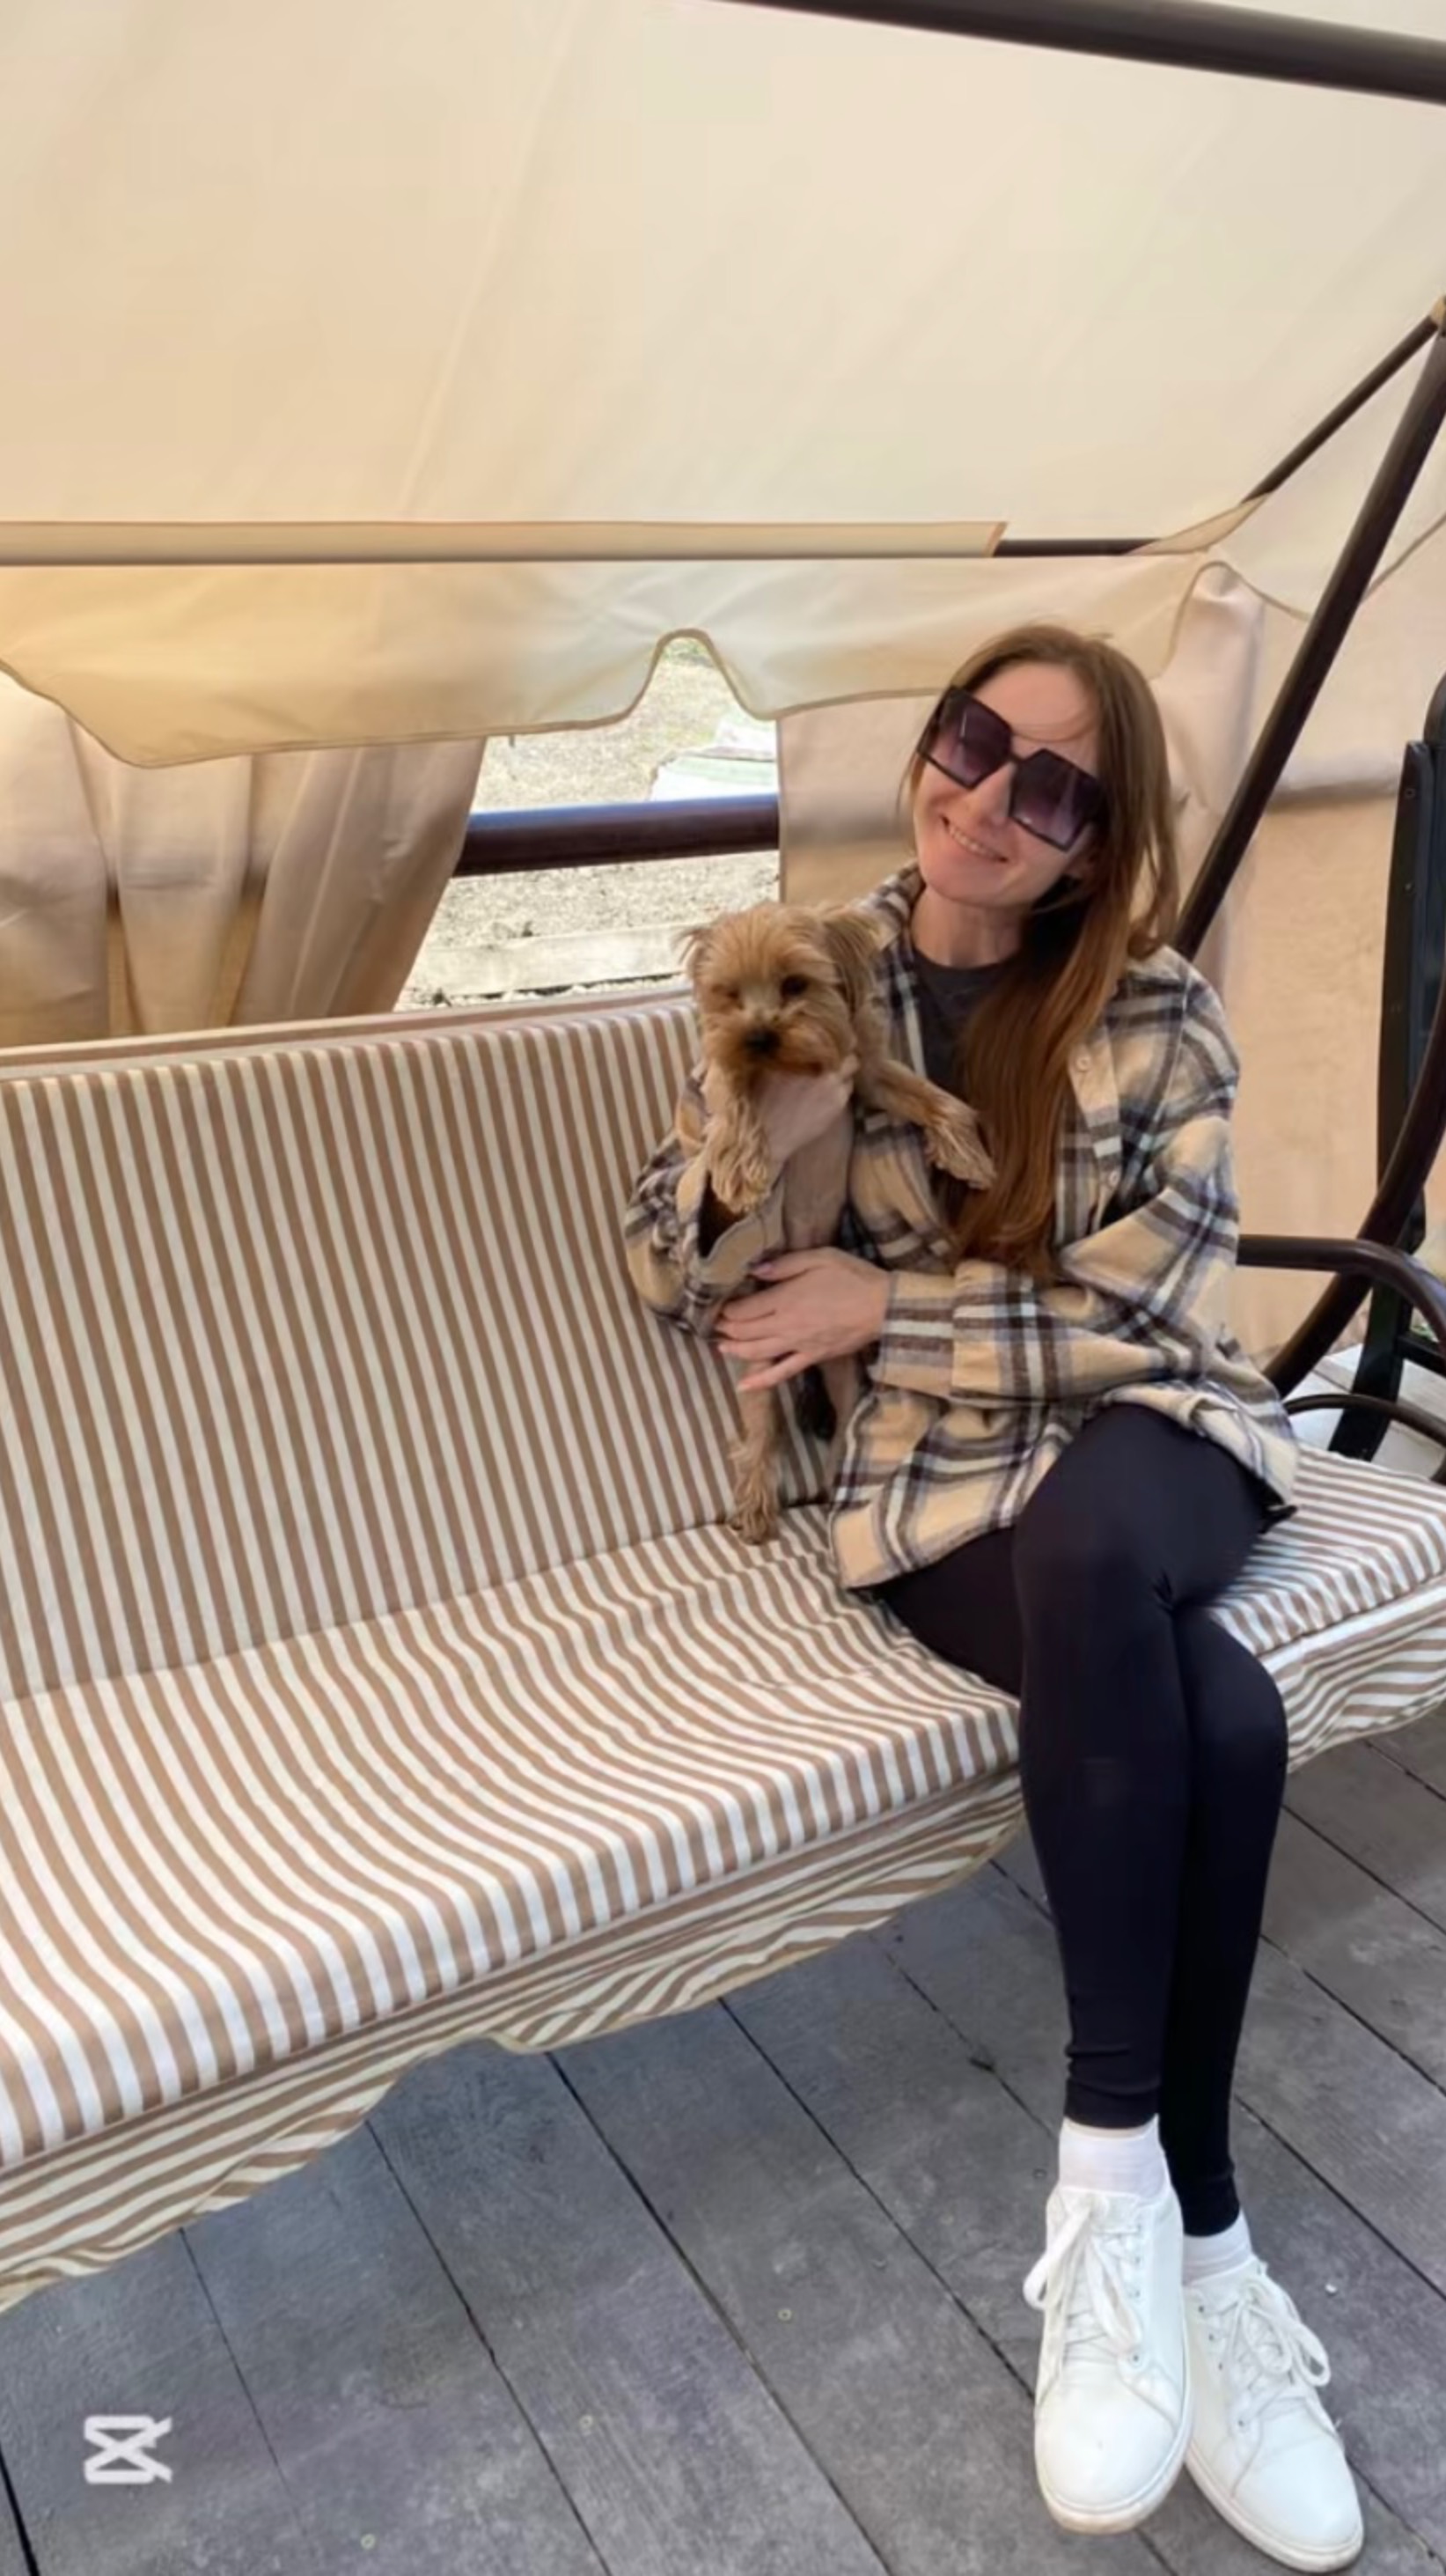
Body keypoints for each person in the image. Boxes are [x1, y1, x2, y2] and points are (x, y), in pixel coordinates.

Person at [621, 623, 1363, 2570]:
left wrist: (887, 1303)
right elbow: (663, 1261)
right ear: (928, 747)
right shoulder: (816, 966)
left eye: (1053, 785)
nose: (989, 798)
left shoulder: (1159, 1009)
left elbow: (1152, 1308)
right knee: (1222, 1709)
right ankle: (1206, 2245)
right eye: (972, 741)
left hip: (1158, 1435)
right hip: (940, 1492)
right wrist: (752, 1170)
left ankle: (1106, 2180)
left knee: (1107, 1550)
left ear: (1096, 839)